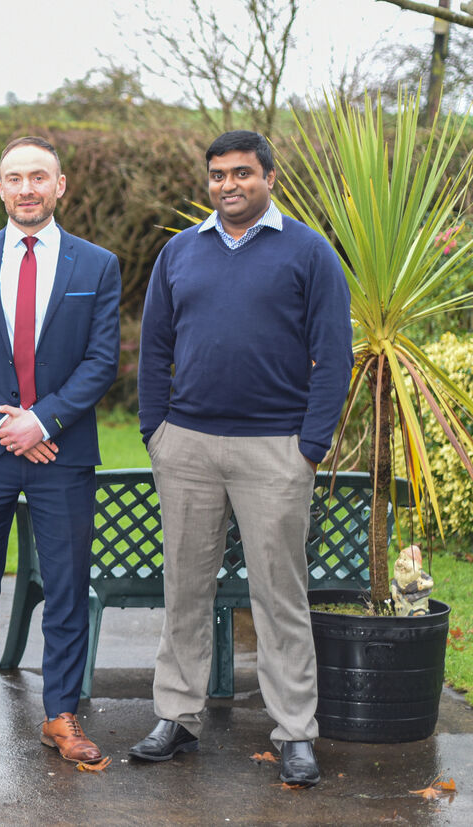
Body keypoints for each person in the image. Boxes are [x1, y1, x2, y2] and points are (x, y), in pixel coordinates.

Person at [131, 130, 352, 787]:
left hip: (274, 448)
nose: (228, 184)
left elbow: (333, 355)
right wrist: (156, 431)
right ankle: (177, 716)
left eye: (242, 174)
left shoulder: (309, 253)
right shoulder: (179, 253)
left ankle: (294, 732)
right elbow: (153, 349)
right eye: (218, 175)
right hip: (188, 445)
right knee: (186, 587)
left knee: (279, 595)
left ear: (270, 178)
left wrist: (308, 446)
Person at [0, 136, 121, 763]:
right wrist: (4, 424)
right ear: (1, 189)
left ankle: (61, 715)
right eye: (15, 178)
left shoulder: (96, 265)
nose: (27, 189)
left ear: (60, 185)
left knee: (66, 586)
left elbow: (101, 361)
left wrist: (43, 423)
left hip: (61, 450)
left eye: (39, 177)